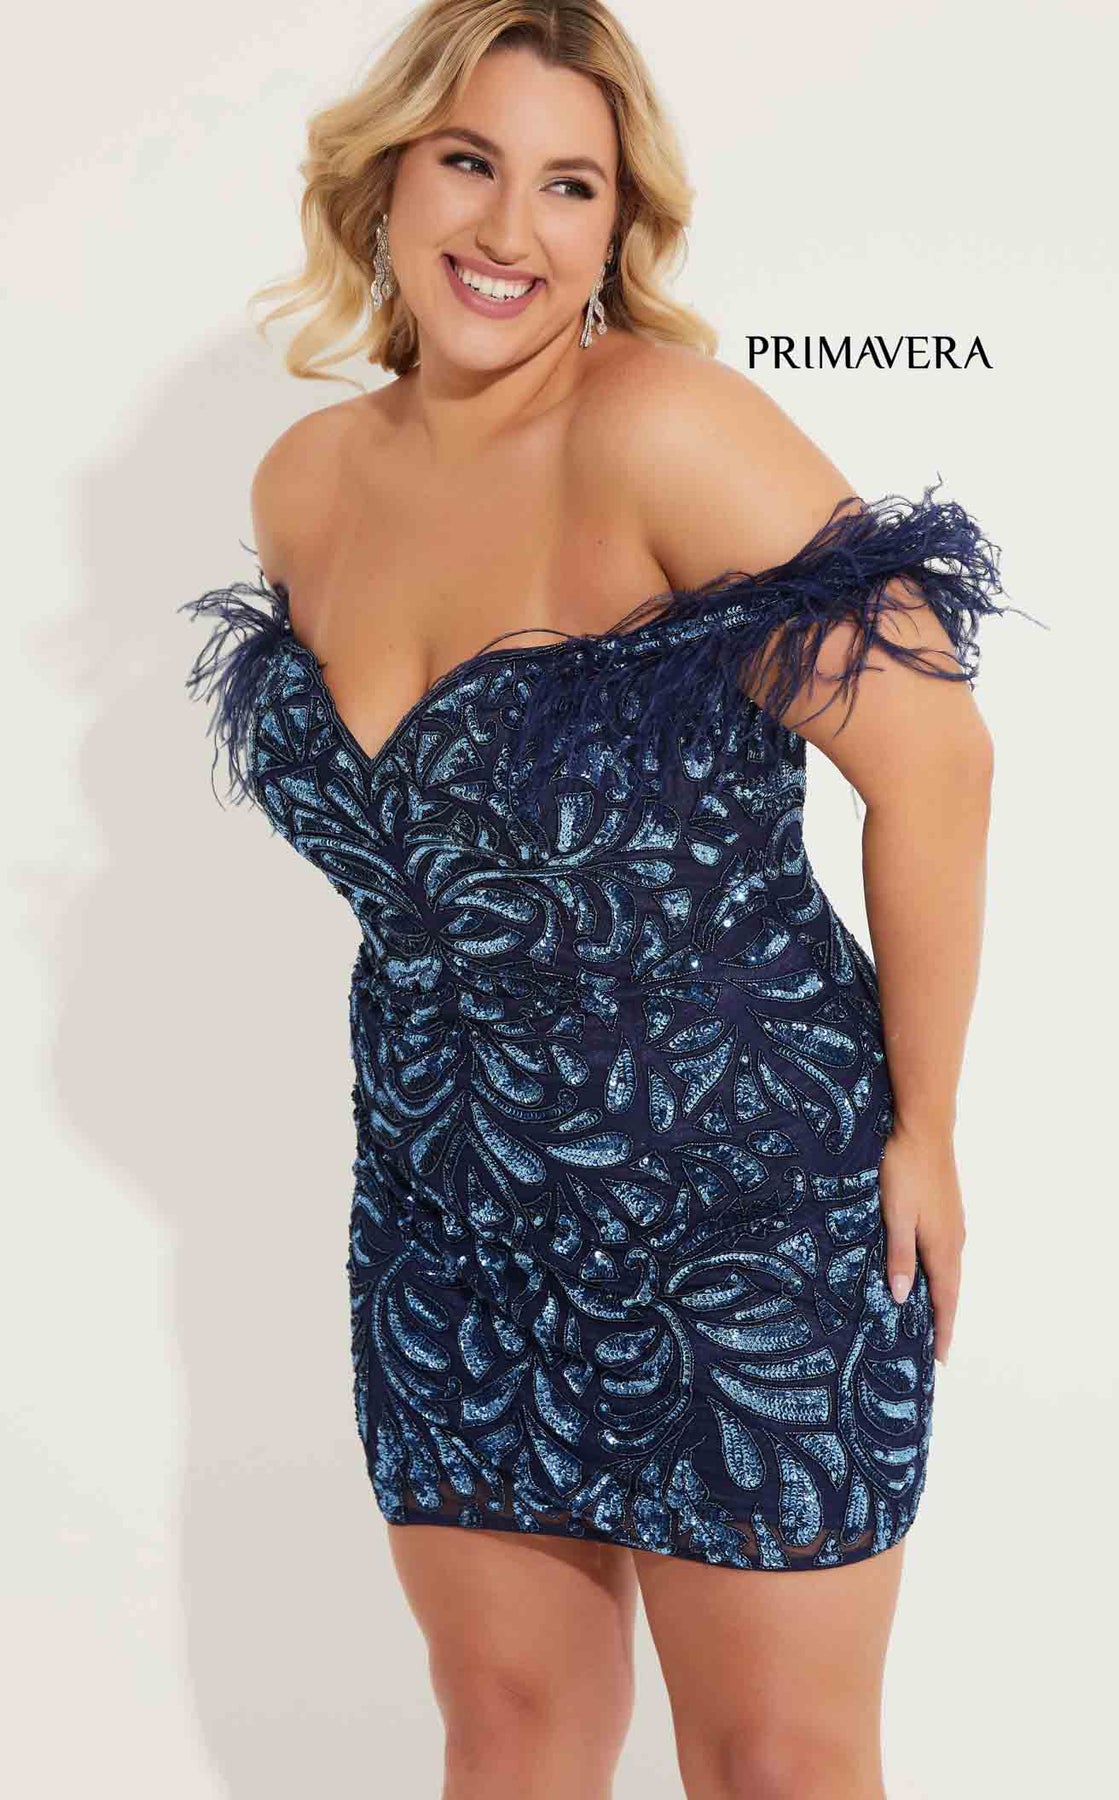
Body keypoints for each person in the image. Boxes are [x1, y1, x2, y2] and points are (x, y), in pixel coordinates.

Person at [182, 3, 1030, 1795]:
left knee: (778, 1762)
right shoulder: (307, 484)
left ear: (620, 223)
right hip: (450, 1219)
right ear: (386, 181)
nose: (512, 228)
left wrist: (930, 1126)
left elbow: (936, 758)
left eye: (571, 185)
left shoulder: (666, 430)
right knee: (510, 1733)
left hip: (745, 1210)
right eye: (470, 163)